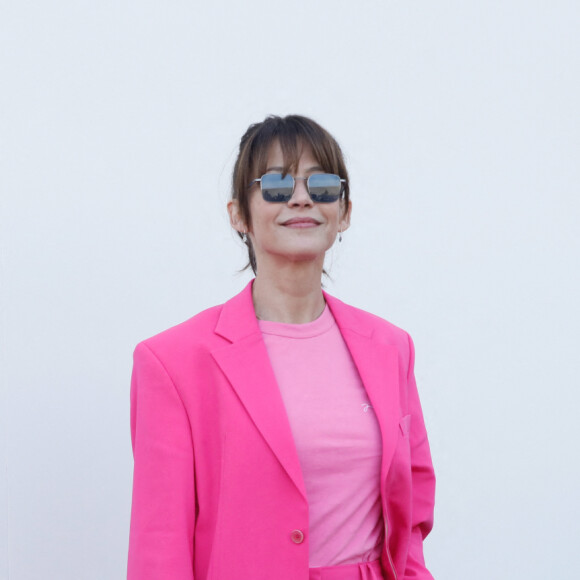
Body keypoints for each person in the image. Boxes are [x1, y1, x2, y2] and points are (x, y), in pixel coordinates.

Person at [127, 114, 436, 580]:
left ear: (344, 212)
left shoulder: (391, 348)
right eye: (275, 184)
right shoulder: (172, 363)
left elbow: (411, 512)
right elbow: (160, 549)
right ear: (238, 215)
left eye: (323, 185)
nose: (301, 197)